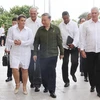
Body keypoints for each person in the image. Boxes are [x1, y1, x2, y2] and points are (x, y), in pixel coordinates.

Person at [33, 13, 64, 98]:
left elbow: (60, 42)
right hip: (43, 55)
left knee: (51, 72)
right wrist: (35, 53)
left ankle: (52, 90)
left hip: (53, 54)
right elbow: (36, 42)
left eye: (44, 20)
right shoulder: (40, 30)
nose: (43, 22)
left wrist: (62, 52)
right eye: (42, 20)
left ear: (49, 19)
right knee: (43, 72)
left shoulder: (56, 29)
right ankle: (46, 85)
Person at [7, 15, 33, 95]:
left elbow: (31, 41)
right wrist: (14, 42)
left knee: (24, 69)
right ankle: (17, 85)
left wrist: (21, 42)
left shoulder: (28, 30)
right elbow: (8, 39)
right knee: (14, 69)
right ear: (18, 21)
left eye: (24, 21)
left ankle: (24, 87)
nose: (23, 22)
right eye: (22, 20)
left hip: (25, 53)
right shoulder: (12, 29)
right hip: (15, 52)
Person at [80, 7, 100, 97]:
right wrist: (82, 49)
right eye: (92, 13)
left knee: (98, 70)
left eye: (95, 13)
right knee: (91, 70)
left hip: (99, 50)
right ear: (90, 14)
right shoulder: (86, 25)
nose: (94, 14)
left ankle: (99, 90)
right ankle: (93, 84)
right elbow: (82, 38)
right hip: (89, 50)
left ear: (98, 14)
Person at [59, 11, 79, 87]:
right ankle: (66, 81)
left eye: (67, 18)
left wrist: (73, 44)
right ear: (62, 18)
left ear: (69, 16)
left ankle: (72, 73)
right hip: (65, 47)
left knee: (75, 62)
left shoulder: (74, 24)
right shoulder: (60, 25)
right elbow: (60, 37)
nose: (66, 19)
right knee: (65, 64)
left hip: (74, 46)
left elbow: (77, 35)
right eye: (64, 18)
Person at [25, 7, 42, 92]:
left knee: (38, 66)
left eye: (34, 13)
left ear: (37, 13)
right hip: (29, 48)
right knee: (30, 67)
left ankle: (37, 84)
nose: (32, 15)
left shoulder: (41, 21)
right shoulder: (26, 22)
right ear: (29, 13)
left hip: (39, 48)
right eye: (31, 13)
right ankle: (32, 81)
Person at [5, 17, 18, 82]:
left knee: (19, 65)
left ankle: (20, 78)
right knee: (10, 63)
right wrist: (6, 48)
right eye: (13, 23)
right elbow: (7, 39)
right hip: (11, 49)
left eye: (15, 23)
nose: (14, 24)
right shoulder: (10, 29)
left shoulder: (20, 29)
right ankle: (9, 76)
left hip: (18, 49)